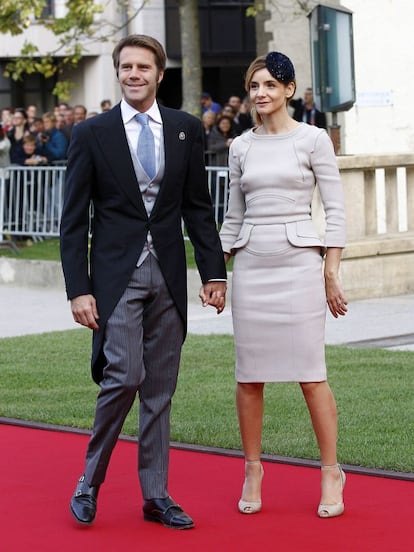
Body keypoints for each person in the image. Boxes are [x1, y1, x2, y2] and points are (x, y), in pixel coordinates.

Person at [60, 34, 227, 530]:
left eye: (143, 67)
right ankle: (89, 482)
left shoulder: (185, 129)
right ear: (119, 73)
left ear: (159, 73)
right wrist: (78, 288)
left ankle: (156, 495)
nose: (134, 74)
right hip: (115, 279)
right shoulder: (91, 134)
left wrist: (214, 272)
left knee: (159, 388)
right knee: (124, 376)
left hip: (169, 276)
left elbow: (198, 207)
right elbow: (74, 222)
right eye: (126, 67)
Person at [219, 52, 347, 518]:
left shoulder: (314, 140)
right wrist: (217, 272)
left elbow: (335, 210)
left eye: (271, 84)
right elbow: (233, 217)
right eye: (254, 85)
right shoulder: (239, 147)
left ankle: (331, 472)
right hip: (251, 268)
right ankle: (253, 468)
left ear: (289, 90)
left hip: (299, 268)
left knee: (311, 376)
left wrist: (330, 271)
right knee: (249, 377)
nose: (261, 93)